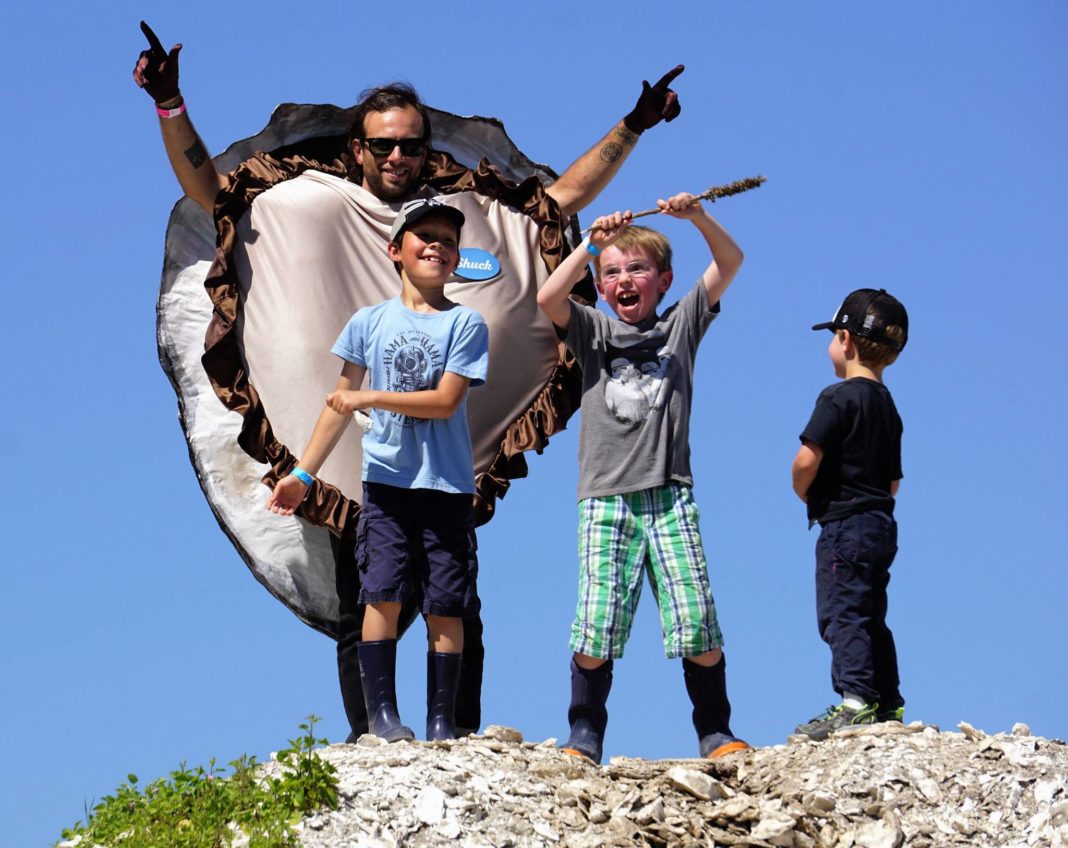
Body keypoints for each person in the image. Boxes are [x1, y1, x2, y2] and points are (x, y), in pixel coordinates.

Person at [133, 20, 686, 742]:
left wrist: (634, 124)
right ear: (357, 147)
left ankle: (453, 735)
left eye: (411, 143)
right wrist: (170, 103)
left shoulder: (461, 213)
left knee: (456, 600)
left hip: (444, 458)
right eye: (383, 143)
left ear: (429, 148)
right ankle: (374, 737)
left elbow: (560, 203)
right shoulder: (302, 197)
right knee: (364, 596)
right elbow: (211, 194)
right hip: (351, 460)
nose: (397, 155)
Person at [535, 194, 747, 762]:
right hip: (605, 499)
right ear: (600, 288)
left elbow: (730, 262)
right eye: (612, 273)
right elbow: (547, 296)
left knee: (695, 613)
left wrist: (697, 218)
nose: (624, 279)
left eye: (637, 269)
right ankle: (585, 732)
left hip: (670, 494)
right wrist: (591, 244)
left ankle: (715, 731)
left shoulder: (681, 326)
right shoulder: (593, 332)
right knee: (597, 620)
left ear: (663, 280)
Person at [267, 197, 488, 741]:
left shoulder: (467, 322)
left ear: (458, 259)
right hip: (387, 487)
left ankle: (442, 721)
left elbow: (444, 402)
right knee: (380, 594)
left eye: (447, 239)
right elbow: (337, 402)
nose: (436, 245)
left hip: (447, 486)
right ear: (396, 250)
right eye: (423, 236)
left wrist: (370, 398)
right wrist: (302, 475)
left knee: (446, 603)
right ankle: (382, 717)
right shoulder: (368, 322)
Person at [791, 288, 908, 741]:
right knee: (871, 611)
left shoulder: (837, 398)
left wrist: (803, 490)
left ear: (846, 339)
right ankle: (887, 702)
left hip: (844, 525)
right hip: (882, 522)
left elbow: (807, 457)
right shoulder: (887, 405)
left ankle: (855, 701)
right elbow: (895, 480)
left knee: (841, 612)